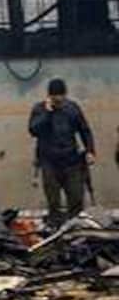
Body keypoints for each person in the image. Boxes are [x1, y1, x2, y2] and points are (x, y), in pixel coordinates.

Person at [28, 78, 96, 228]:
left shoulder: (72, 109)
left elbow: (85, 130)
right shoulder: (39, 109)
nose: (59, 101)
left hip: (71, 161)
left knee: (76, 198)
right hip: (49, 162)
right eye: (55, 98)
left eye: (61, 97)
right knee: (53, 201)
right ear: (49, 96)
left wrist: (90, 150)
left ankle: (75, 229)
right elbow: (33, 130)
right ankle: (55, 229)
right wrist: (47, 113)